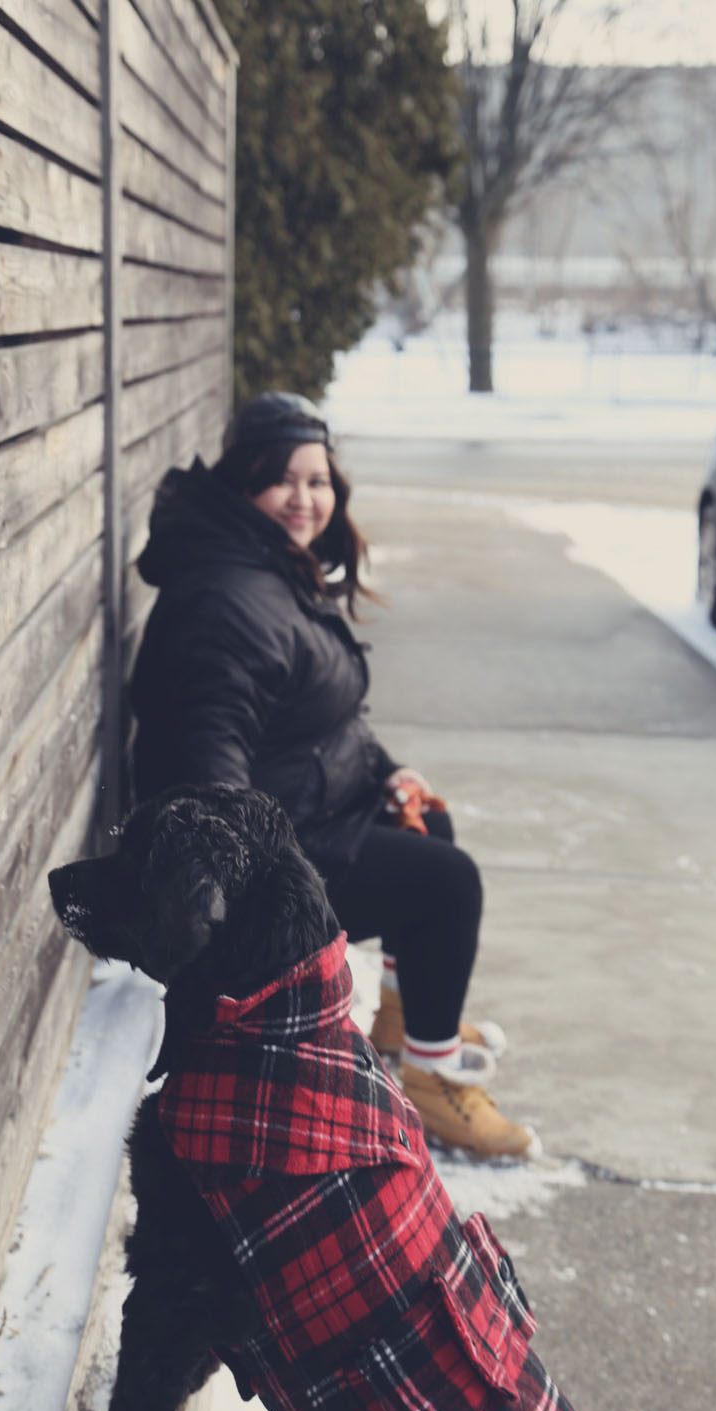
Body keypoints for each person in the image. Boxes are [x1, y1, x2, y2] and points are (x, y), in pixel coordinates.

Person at [128, 391, 533, 1157]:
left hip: (305, 807)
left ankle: (408, 1027)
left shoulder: (267, 566)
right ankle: (434, 1082)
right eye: (283, 480)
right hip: (266, 864)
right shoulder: (226, 600)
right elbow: (208, 762)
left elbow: (318, 716)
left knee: (429, 822)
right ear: (243, 483)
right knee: (448, 883)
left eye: (317, 481)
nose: (305, 499)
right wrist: (249, 890)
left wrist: (386, 771)